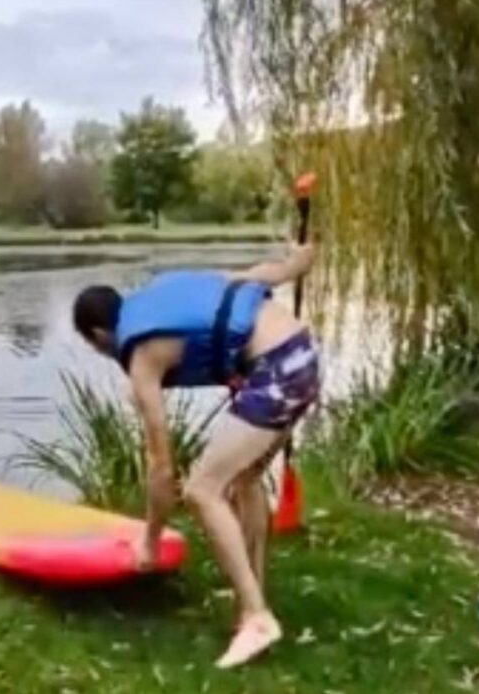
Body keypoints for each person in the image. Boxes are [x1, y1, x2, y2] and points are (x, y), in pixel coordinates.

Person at [71, 243, 319, 669]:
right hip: (304, 356)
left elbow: (161, 467)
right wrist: (298, 262)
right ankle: (251, 597)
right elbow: (256, 277)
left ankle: (257, 618)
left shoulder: (140, 354)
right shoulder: (164, 291)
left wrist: (150, 543)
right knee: (243, 478)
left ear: (97, 336)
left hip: (276, 373)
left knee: (203, 490)